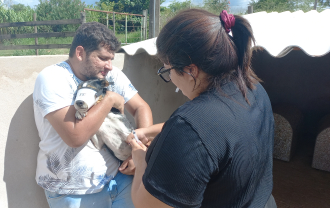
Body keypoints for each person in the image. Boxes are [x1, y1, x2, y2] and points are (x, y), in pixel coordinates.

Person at [128, 9, 277, 208]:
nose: (169, 78)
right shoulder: (253, 89)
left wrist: (140, 160)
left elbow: (145, 204)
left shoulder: (190, 125)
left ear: (190, 70)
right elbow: (214, 134)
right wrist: (148, 130)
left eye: (167, 69)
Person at [33, 22, 153, 208]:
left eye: (111, 59)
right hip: (73, 191)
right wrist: (110, 99)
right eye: (103, 58)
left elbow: (141, 108)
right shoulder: (52, 78)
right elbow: (75, 136)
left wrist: (138, 153)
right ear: (80, 53)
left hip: (120, 181)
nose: (109, 66)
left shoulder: (110, 75)